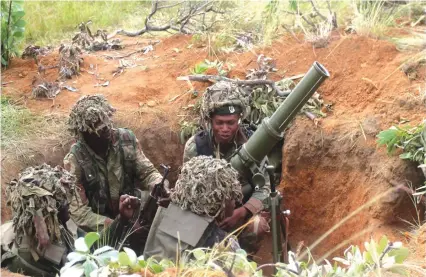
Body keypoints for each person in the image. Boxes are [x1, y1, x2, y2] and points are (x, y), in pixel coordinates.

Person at [0, 163, 140, 277]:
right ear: (49, 211)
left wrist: (121, 219)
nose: (68, 205)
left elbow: (92, 247)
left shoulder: (59, 226)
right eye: (63, 201)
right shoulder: (41, 252)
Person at [183, 81, 270, 255]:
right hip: (206, 217)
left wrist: (243, 211)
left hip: (241, 214)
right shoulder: (196, 147)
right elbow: (186, 193)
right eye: (219, 123)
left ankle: (245, 262)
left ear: (239, 119)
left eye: (230, 123)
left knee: (257, 225)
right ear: (210, 121)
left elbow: (266, 187)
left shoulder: (253, 144)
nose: (225, 129)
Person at [63, 94, 167, 232]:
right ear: (85, 134)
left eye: (107, 125)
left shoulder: (126, 140)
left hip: (130, 205)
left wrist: (160, 186)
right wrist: (119, 226)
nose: (107, 131)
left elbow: (148, 173)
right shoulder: (75, 159)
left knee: (160, 205)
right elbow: (80, 214)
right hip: (99, 222)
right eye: (99, 130)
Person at [144, 156, 243, 261]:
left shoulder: (165, 215)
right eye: (232, 195)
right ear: (217, 200)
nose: (235, 200)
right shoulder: (222, 245)